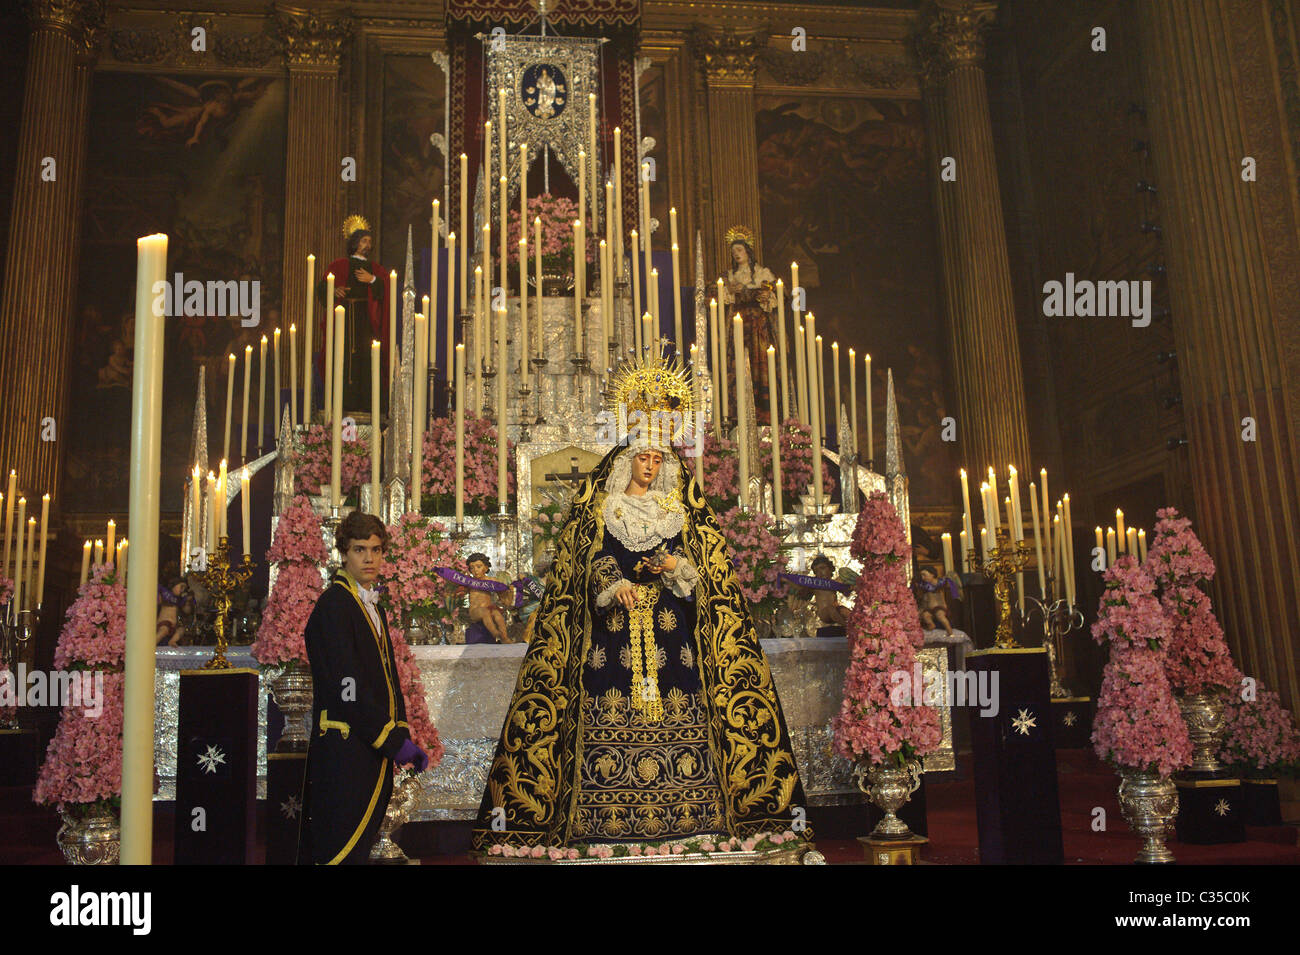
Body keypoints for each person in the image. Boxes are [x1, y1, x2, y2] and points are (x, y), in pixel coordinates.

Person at [471, 356, 811, 851]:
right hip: (612, 630)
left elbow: (706, 573)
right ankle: (604, 824)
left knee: (682, 703)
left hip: (673, 631)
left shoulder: (680, 510)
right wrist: (614, 583)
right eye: (643, 458)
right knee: (606, 703)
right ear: (627, 457)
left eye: (658, 459)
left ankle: (688, 824)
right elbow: (590, 557)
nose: (650, 466)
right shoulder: (604, 506)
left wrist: (676, 569)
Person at [296, 511, 428, 865]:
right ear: (343, 552)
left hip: (366, 744)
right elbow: (347, 685)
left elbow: (386, 676)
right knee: (339, 849)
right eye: (359, 549)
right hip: (346, 745)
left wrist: (399, 730)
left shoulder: (371, 606)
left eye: (376, 549)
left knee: (356, 849)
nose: (369, 558)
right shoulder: (334, 605)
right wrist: (390, 740)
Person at [319, 215, 388, 416]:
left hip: (366, 320)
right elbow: (323, 286)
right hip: (345, 319)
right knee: (344, 358)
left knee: (366, 358)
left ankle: (366, 403)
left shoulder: (375, 269)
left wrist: (373, 280)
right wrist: (333, 290)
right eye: (363, 240)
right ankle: (343, 402)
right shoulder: (340, 265)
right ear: (355, 243)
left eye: (369, 241)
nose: (367, 245)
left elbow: (386, 288)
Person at [719, 226, 779, 423]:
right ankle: (738, 413)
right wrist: (727, 290)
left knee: (760, 367)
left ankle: (764, 412)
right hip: (738, 330)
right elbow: (713, 293)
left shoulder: (763, 273)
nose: (736, 254)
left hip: (759, 329)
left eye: (739, 250)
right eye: (733, 251)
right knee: (739, 366)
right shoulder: (729, 277)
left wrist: (767, 294)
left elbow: (781, 294)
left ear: (748, 252)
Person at [464, 552, 514, 644]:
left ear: (486, 567)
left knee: (496, 613)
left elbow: (505, 601)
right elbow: (458, 592)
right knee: (485, 612)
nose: (475, 570)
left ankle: (504, 637)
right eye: (472, 568)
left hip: (488, 608)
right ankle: (495, 633)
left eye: (478, 566)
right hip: (475, 611)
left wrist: (510, 592)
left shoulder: (491, 582)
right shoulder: (469, 582)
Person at [913, 566, 959, 635]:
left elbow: (948, 584)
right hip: (928, 608)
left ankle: (949, 630)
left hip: (939, 606)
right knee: (925, 616)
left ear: (932, 574)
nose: (923, 577)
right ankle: (931, 625)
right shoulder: (923, 585)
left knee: (940, 616)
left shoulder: (940, 582)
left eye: (924, 575)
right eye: (921, 575)